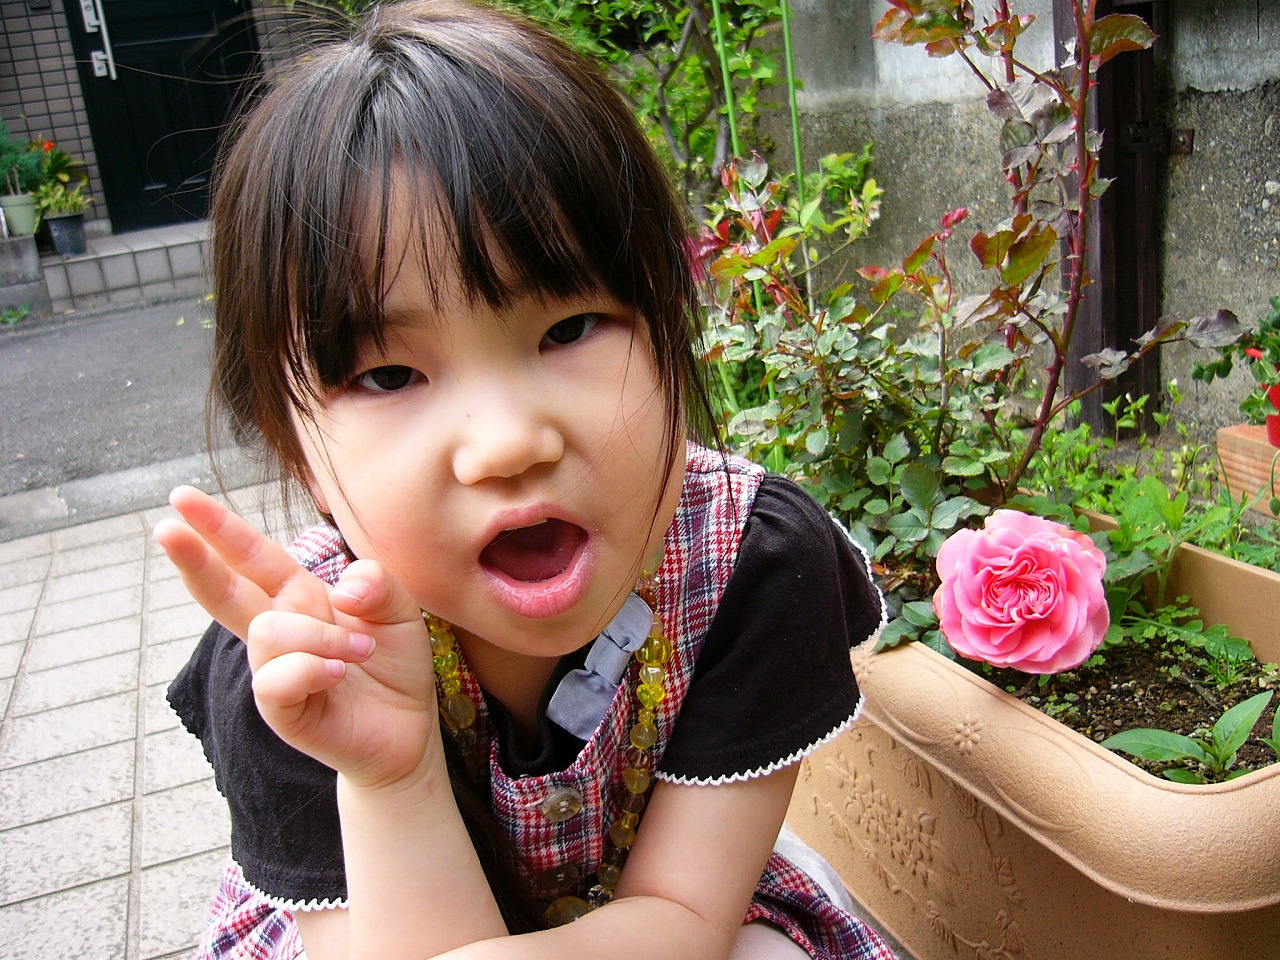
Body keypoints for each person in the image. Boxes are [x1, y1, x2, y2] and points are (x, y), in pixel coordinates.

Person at [156, 2, 896, 958]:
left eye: (568, 329)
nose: (506, 444)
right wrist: (390, 779)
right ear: (298, 451)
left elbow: (685, 916)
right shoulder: (298, 664)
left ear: (671, 331)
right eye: (391, 376)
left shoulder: (748, 562)